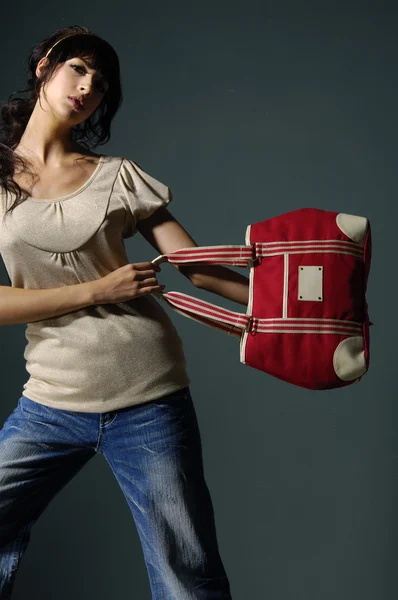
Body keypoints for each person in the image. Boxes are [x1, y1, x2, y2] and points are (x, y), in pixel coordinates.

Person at [0, 25, 250, 599]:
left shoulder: (118, 176)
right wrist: (96, 291)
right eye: (78, 69)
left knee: (185, 570)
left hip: (149, 397)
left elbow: (199, 266)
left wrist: (292, 307)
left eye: (101, 82)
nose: (88, 87)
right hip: (52, 402)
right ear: (44, 67)